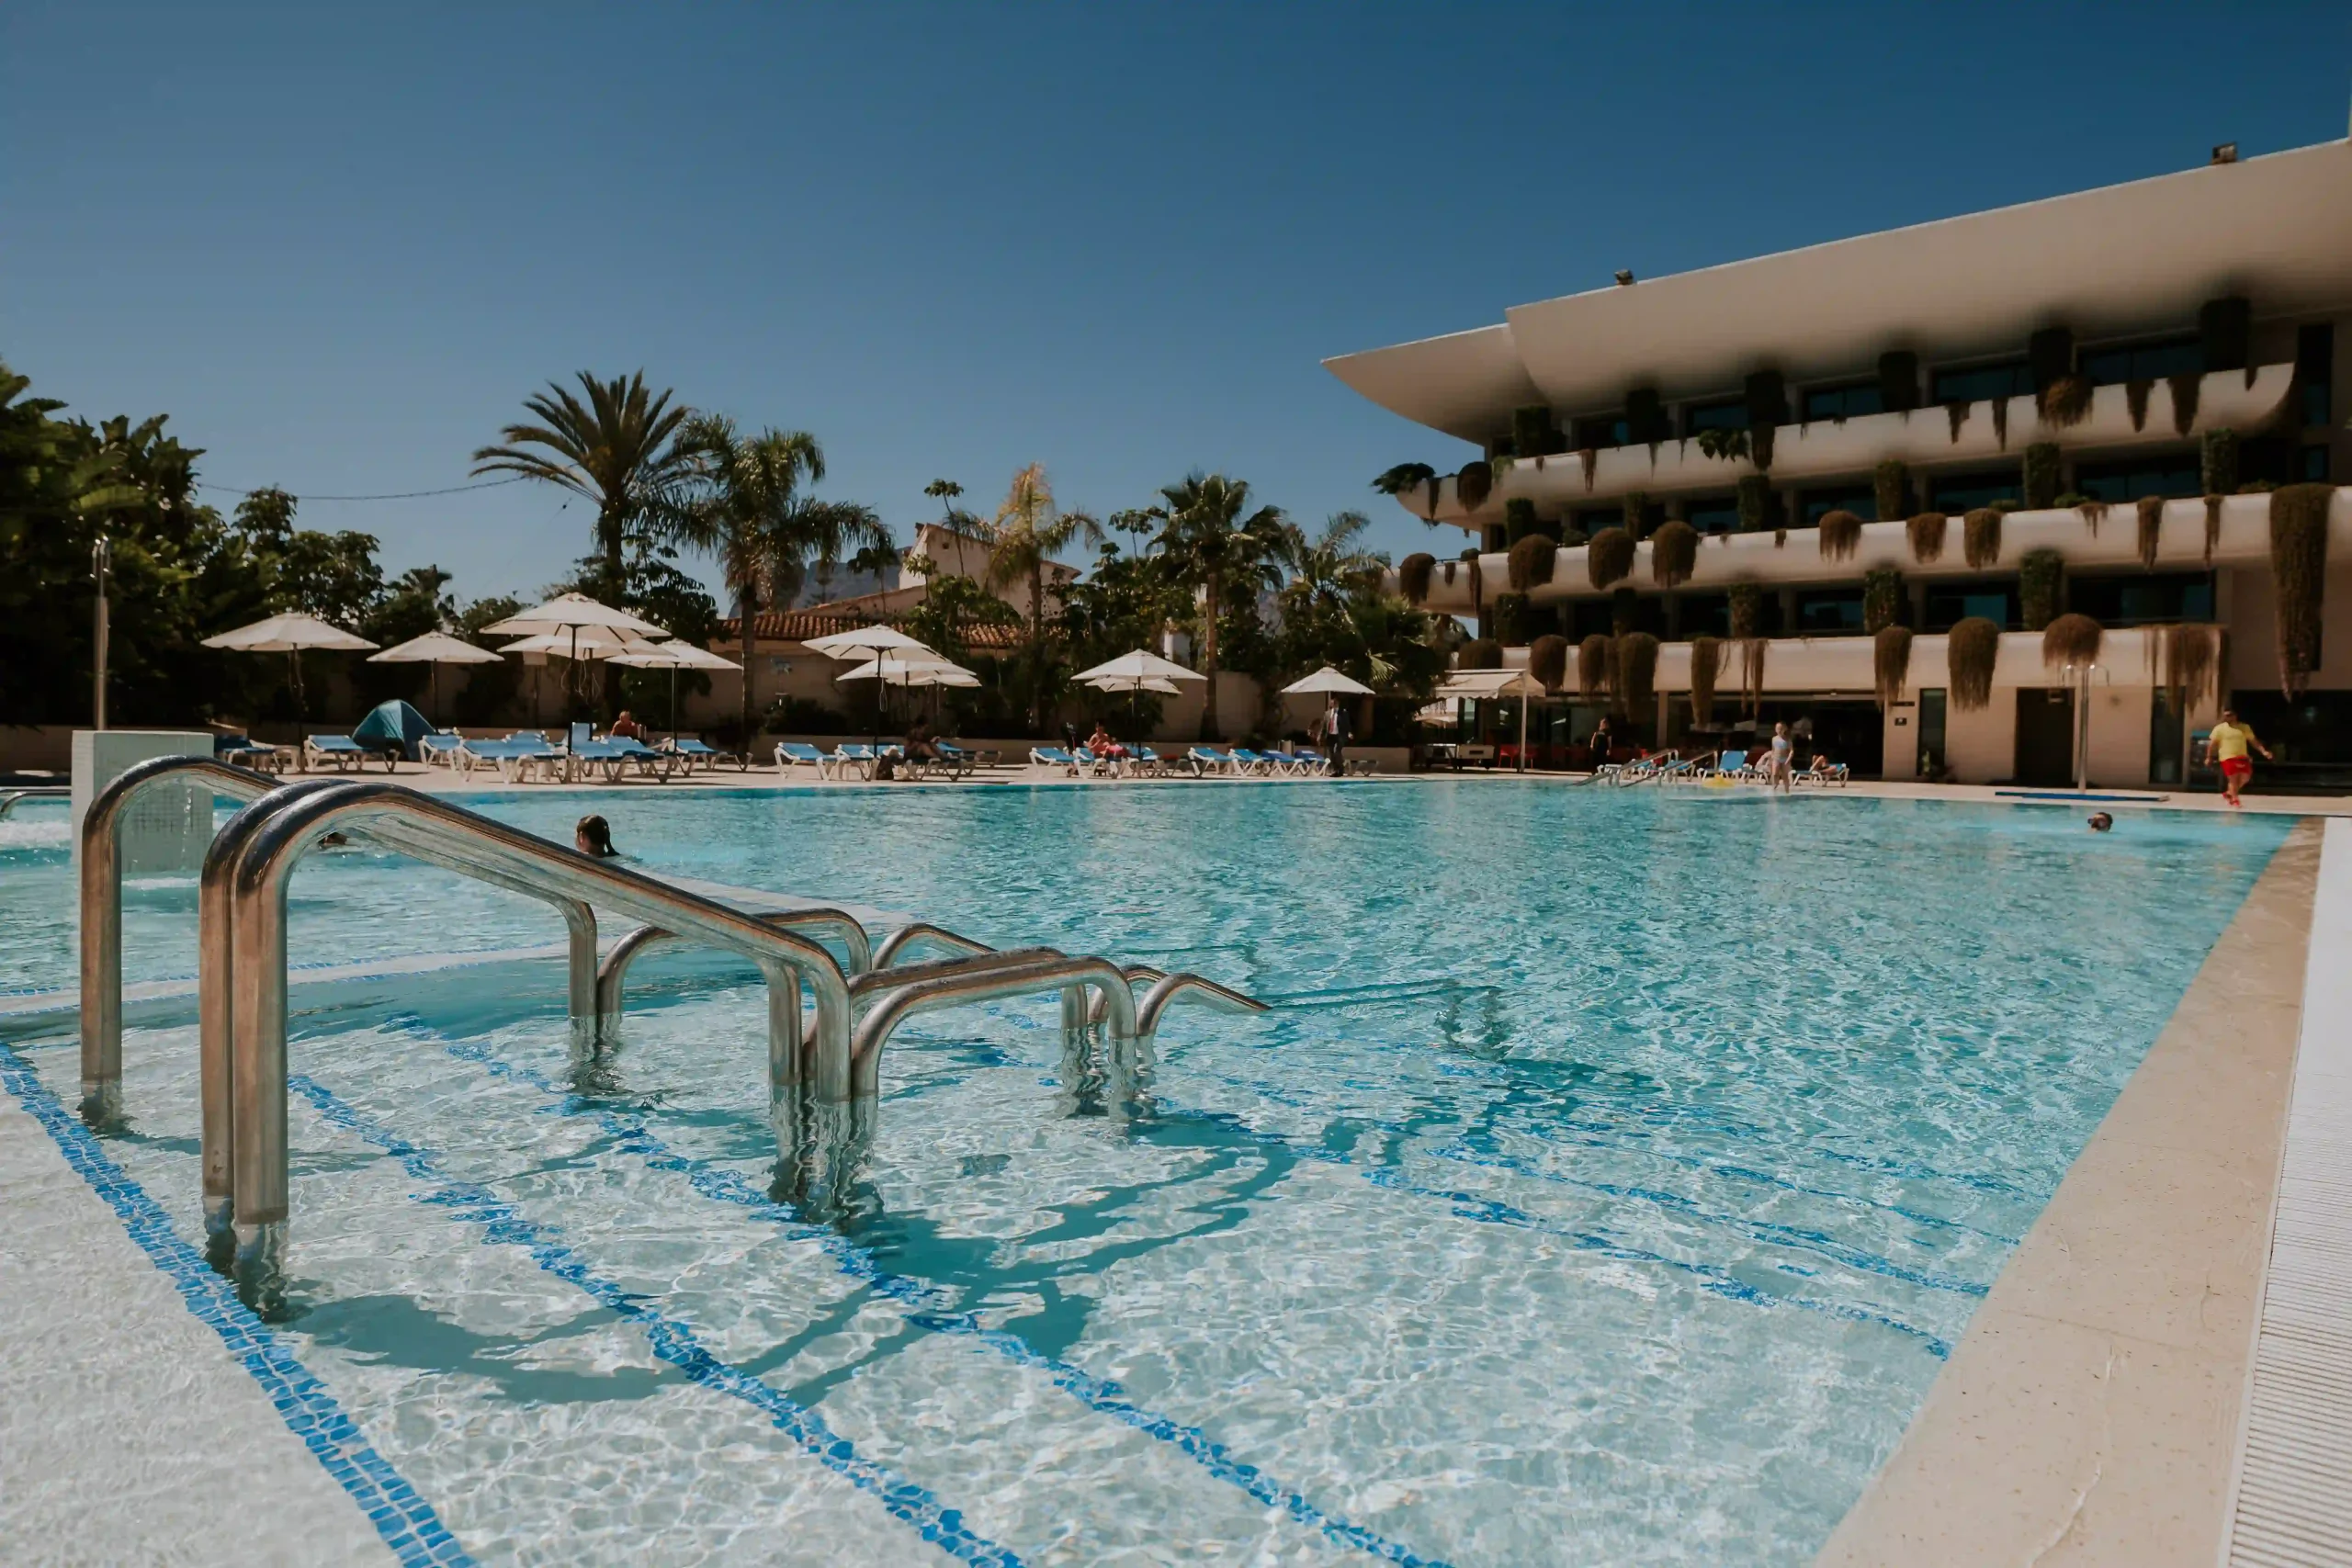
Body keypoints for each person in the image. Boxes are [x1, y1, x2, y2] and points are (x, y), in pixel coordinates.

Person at [2203, 707, 2272, 808]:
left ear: (2235, 716)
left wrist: (2264, 751)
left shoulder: (2244, 727)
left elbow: (2254, 741)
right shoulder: (2219, 729)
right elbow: (2212, 745)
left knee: (2245, 777)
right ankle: (2235, 800)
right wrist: (2209, 757)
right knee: (2233, 779)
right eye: (2225, 715)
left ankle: (2229, 793)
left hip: (2242, 757)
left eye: (2229, 715)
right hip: (2227, 757)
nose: (2226, 717)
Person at [1323, 698, 1348, 775]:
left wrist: (1349, 732)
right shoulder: (1327, 713)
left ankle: (1340, 768)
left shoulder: (1343, 713)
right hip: (1330, 736)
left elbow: (1347, 724)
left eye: (1333, 703)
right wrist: (1320, 735)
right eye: (1331, 703)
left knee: (1336, 752)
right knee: (1331, 753)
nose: (1331, 704)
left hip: (1339, 736)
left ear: (1337, 704)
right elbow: (1324, 725)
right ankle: (1335, 770)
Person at [1769, 722, 1793, 794]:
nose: (1779, 730)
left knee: (1785, 776)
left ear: (1785, 729)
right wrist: (1772, 757)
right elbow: (1773, 749)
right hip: (1776, 758)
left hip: (1785, 759)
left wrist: (1789, 759)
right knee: (1774, 774)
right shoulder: (1774, 739)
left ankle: (1787, 791)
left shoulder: (1787, 740)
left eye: (1781, 729)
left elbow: (1791, 750)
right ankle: (1774, 786)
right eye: (1778, 729)